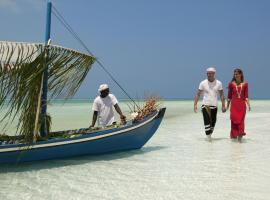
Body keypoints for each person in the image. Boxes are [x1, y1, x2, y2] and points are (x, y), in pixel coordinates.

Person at [194, 67, 226, 140]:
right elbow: (198, 94)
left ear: (214, 74)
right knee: (207, 121)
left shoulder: (219, 83)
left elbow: (221, 95)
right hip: (205, 105)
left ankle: (209, 137)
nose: (209, 75)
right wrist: (195, 104)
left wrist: (223, 105)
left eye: (210, 73)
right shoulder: (202, 83)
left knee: (213, 122)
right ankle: (208, 139)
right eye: (208, 73)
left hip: (214, 105)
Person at [227, 68, 250, 142]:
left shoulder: (245, 84)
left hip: (242, 105)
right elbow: (229, 97)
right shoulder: (231, 84)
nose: (236, 75)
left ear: (241, 75)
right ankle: (234, 140)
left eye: (237, 74)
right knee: (233, 120)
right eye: (235, 74)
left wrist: (248, 105)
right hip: (234, 106)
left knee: (241, 121)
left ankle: (240, 139)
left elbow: (246, 96)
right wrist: (227, 107)